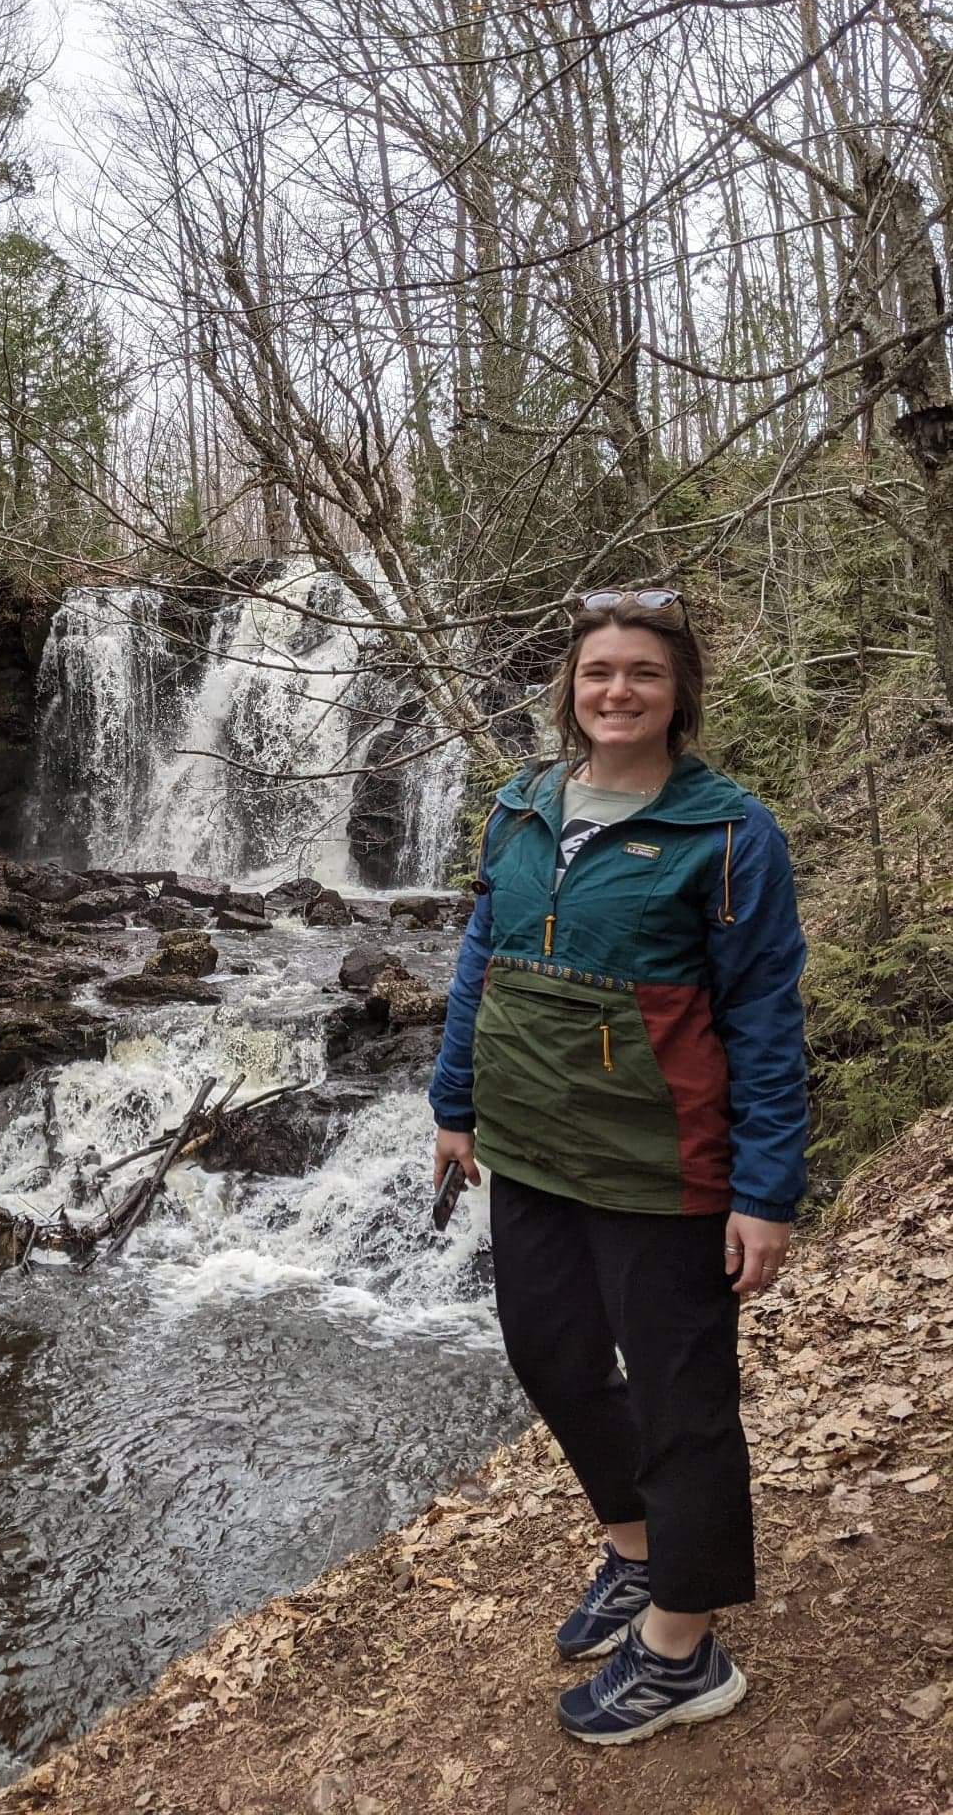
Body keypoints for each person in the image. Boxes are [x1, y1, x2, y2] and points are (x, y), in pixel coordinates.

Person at [429, 587, 808, 1746]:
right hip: (534, 1146)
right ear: (572, 690)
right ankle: (639, 1553)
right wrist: (454, 1102)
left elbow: (764, 1019)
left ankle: (685, 1648)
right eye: (600, 672)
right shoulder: (522, 807)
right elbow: (481, 956)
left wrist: (764, 1190)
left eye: (643, 672)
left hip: (666, 1164)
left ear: (678, 691)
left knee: (685, 1404)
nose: (618, 691)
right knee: (550, 1356)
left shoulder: (731, 835)